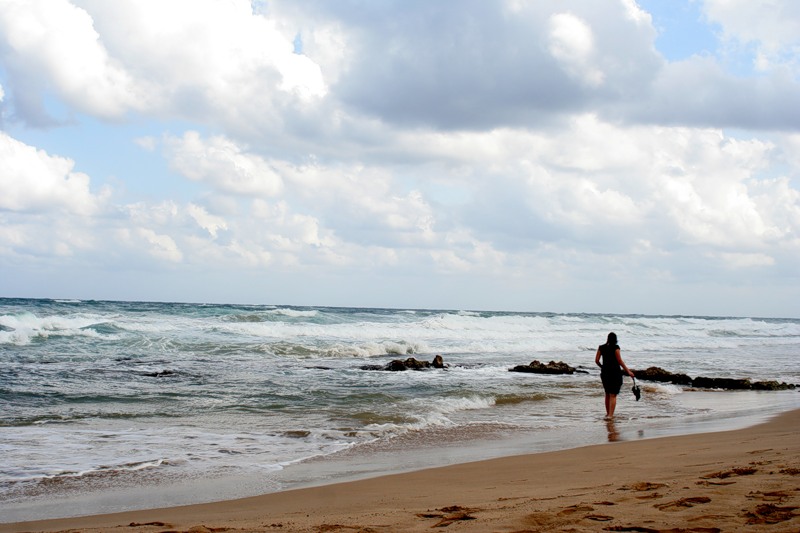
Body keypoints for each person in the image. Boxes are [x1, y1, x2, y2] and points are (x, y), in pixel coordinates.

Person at [595, 332, 635, 418]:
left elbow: (596, 360)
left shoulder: (601, 347)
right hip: (615, 372)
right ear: (615, 339)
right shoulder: (616, 348)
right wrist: (628, 371)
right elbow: (619, 361)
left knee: (607, 394)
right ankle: (610, 415)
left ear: (608, 338)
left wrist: (602, 367)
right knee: (613, 395)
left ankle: (608, 414)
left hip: (605, 372)